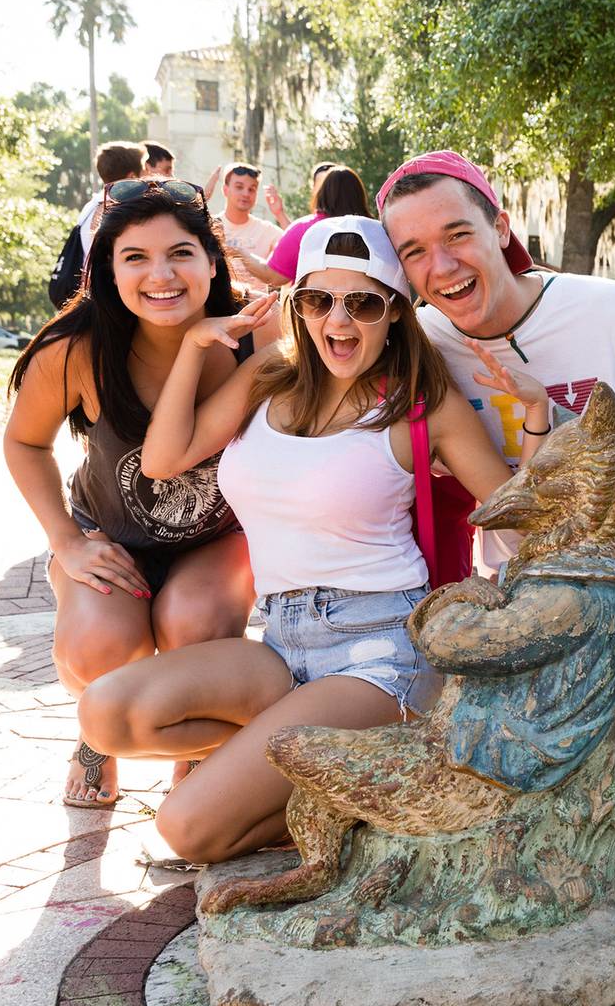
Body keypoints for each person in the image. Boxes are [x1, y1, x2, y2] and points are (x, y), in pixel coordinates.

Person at [76, 216, 550, 864]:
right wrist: (194, 347)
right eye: (318, 300)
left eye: (362, 302)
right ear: (298, 306)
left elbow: (520, 524)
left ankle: (372, 765)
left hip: (380, 654)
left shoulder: (419, 402)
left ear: (393, 311)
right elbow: (163, 459)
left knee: (186, 828)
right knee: (105, 713)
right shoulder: (272, 374)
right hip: (283, 640)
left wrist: (536, 417)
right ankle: (341, 784)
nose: (339, 321)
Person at [378, 150, 615, 716]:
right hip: (518, 584)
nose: (444, 265)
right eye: (416, 252)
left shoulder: (610, 310)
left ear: (500, 228)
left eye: (458, 235)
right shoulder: (420, 345)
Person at [4, 179, 278, 808]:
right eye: (135, 257)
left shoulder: (256, 334)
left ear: (212, 261)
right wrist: (67, 543)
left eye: (181, 253)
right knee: (101, 647)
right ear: (106, 269)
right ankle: (97, 735)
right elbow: (23, 444)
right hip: (108, 533)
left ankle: (194, 755)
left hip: (215, 538)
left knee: (194, 624)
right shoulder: (76, 350)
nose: (162, 275)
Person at [264, 165, 372, 282]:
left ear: (324, 191)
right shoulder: (377, 232)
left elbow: (273, 275)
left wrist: (242, 252)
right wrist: (280, 214)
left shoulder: (306, 228)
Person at [215, 163, 284, 290]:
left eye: (252, 189)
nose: (246, 193)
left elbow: (298, 247)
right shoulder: (211, 226)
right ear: (225, 190)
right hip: (220, 307)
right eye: (239, 187)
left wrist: (280, 214)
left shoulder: (266, 230)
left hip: (260, 307)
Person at [75, 142, 147, 254]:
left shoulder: (90, 207)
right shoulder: (120, 210)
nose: (146, 176)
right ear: (132, 177)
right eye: (143, 170)